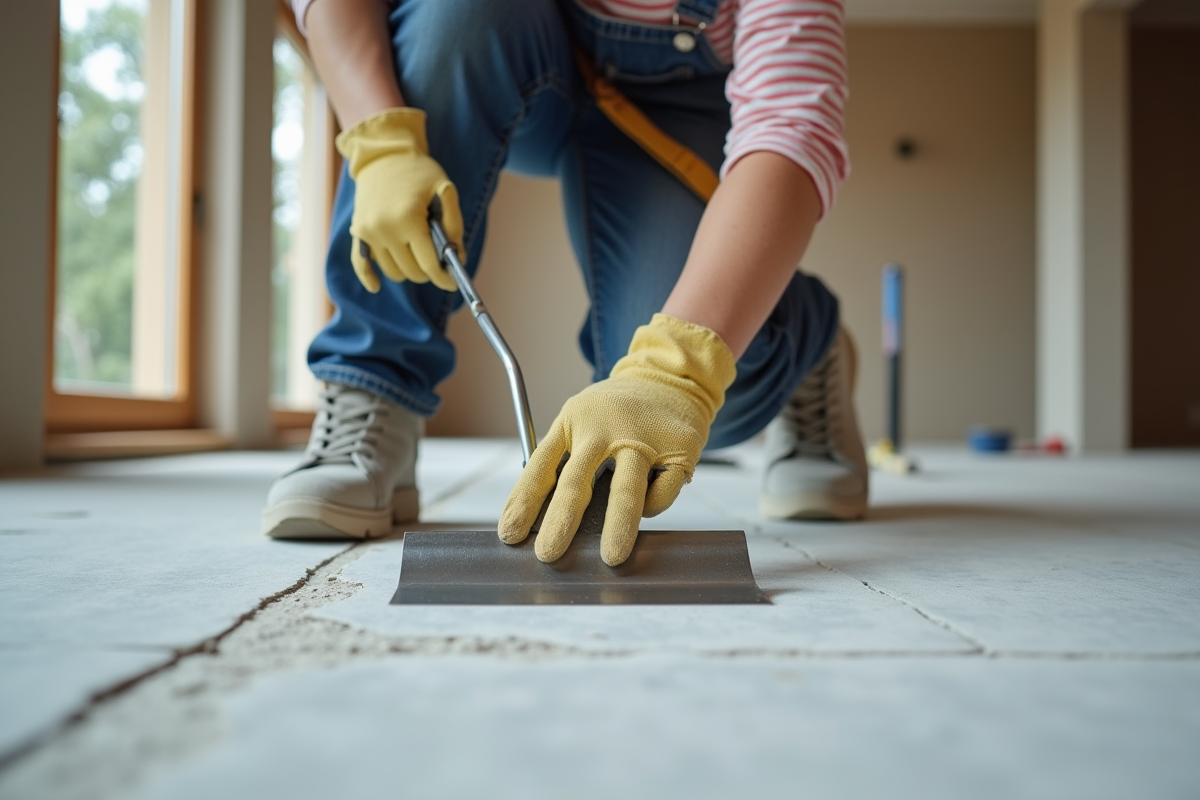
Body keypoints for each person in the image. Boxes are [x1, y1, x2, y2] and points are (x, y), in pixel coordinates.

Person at [262, 0, 868, 566]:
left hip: (678, 101)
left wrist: (677, 370)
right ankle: (375, 385)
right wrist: (379, 141)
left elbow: (790, 122)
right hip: (502, 38)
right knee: (456, 13)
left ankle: (808, 343)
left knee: (709, 405)